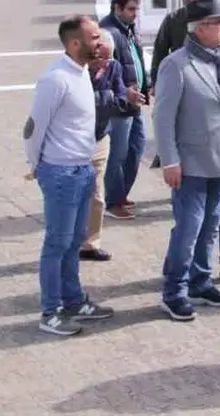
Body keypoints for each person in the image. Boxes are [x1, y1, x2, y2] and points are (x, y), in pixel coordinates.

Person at [154, 0, 220, 322]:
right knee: (188, 229)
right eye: (217, 22)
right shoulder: (176, 65)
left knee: (210, 227)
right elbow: (163, 118)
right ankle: (174, 291)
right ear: (199, 29)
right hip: (190, 162)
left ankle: (200, 280)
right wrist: (169, 161)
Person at [23, 14, 114, 336]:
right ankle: (50, 312)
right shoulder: (56, 78)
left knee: (75, 241)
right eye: (93, 38)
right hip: (60, 172)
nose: (99, 42)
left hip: (82, 169)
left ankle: (73, 300)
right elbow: (34, 128)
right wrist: (35, 166)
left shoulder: (81, 73)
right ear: (75, 43)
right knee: (57, 243)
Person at [80, 29, 134, 262]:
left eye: (109, 57)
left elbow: (121, 101)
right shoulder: (77, 70)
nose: (105, 63)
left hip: (100, 136)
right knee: (74, 194)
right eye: (100, 57)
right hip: (75, 140)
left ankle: (90, 244)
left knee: (97, 195)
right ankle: (68, 240)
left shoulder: (114, 68)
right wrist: (109, 97)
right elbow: (81, 102)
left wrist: (107, 97)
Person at [100, 0, 149, 219]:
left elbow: (136, 62)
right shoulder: (109, 33)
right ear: (117, 8)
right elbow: (103, 74)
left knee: (136, 149)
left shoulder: (128, 30)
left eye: (137, 9)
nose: (135, 14)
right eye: (131, 9)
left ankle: (120, 195)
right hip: (120, 106)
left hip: (135, 103)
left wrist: (146, 86)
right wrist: (123, 93)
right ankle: (113, 201)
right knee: (118, 155)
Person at [149, 0, 206, 169]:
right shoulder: (173, 19)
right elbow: (159, 51)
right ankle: (169, 156)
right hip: (180, 80)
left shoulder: (212, 19)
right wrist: (156, 81)